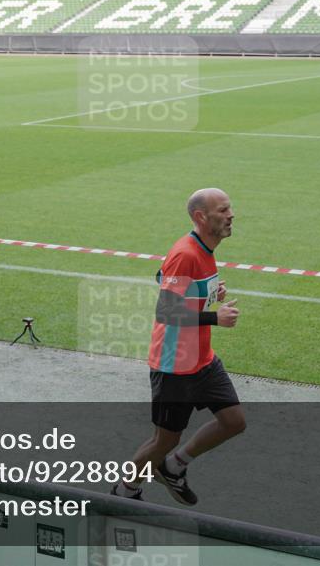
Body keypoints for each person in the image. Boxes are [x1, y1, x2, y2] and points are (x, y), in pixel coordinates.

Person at [112, 188, 244, 505]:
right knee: (164, 439)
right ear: (201, 217)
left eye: (230, 209)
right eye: (223, 210)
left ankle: (174, 467)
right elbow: (166, 312)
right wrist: (214, 316)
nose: (231, 215)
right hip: (174, 366)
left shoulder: (203, 249)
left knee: (234, 422)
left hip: (202, 359)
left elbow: (163, 275)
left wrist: (209, 291)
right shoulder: (187, 253)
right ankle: (124, 492)